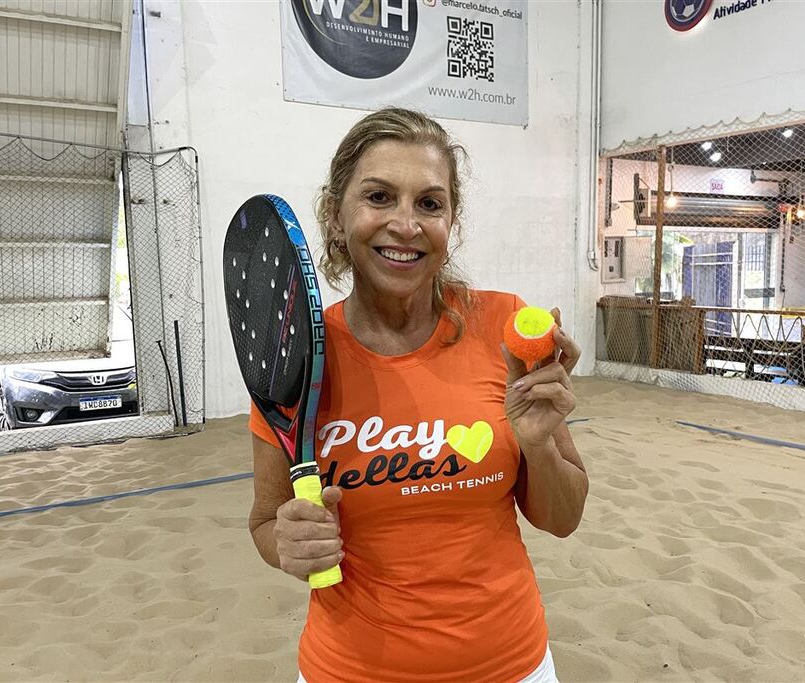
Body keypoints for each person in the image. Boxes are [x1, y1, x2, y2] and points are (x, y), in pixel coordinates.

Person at [246, 108, 589, 683]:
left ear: (450, 221)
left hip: (510, 665)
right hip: (348, 670)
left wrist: (537, 445)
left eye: (429, 204)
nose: (405, 224)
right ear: (336, 214)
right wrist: (288, 546)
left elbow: (563, 518)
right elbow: (264, 523)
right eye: (379, 197)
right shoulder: (295, 356)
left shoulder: (502, 325)